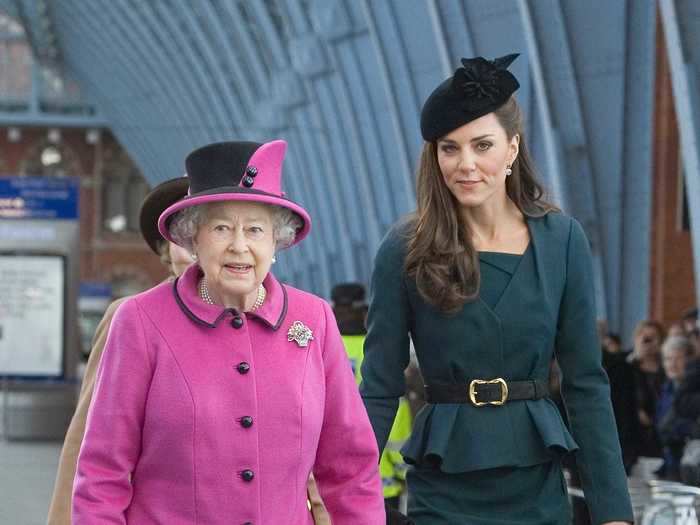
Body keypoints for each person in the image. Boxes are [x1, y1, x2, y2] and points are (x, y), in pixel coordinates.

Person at [360, 54, 633, 524]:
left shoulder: (562, 241)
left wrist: (613, 513)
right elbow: (380, 389)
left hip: (537, 485)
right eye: (450, 148)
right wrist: (341, 492)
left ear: (512, 149)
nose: (466, 165)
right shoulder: (405, 248)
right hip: (443, 486)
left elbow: (586, 384)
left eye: (481, 145)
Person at [72, 140, 384, 524]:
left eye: (255, 229)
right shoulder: (140, 321)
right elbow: (102, 475)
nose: (240, 246)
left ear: (276, 242)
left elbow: (351, 468)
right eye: (221, 228)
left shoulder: (315, 319)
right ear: (193, 239)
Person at [47, 177, 190, 525]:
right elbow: (88, 443)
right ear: (165, 249)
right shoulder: (131, 317)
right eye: (184, 238)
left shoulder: (274, 323)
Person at [656, 336, 695, 480]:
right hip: (669, 463)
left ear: (689, 360)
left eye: (678, 358)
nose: (672, 364)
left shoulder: (694, 390)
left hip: (691, 462)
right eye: (667, 359)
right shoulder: (666, 388)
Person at [628, 320, 666, 458]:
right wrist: (636, 356)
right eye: (645, 337)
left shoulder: (666, 366)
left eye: (653, 337)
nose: (648, 342)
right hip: (634, 430)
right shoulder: (628, 366)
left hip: (660, 427)